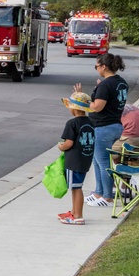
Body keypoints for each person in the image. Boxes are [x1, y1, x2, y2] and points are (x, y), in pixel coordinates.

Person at [74, 52, 129, 208]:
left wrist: (85, 101)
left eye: (97, 66)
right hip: (115, 125)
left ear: (104, 66)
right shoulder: (121, 82)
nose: (96, 68)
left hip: (103, 127)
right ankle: (99, 192)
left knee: (103, 162)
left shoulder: (106, 84)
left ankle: (107, 197)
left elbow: (97, 107)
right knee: (98, 161)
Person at [56, 91, 96, 225]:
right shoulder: (90, 122)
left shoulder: (71, 123)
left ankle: (78, 215)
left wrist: (61, 147)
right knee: (75, 186)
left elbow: (68, 143)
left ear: (74, 108)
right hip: (85, 158)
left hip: (74, 161)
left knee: (76, 188)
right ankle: (74, 211)